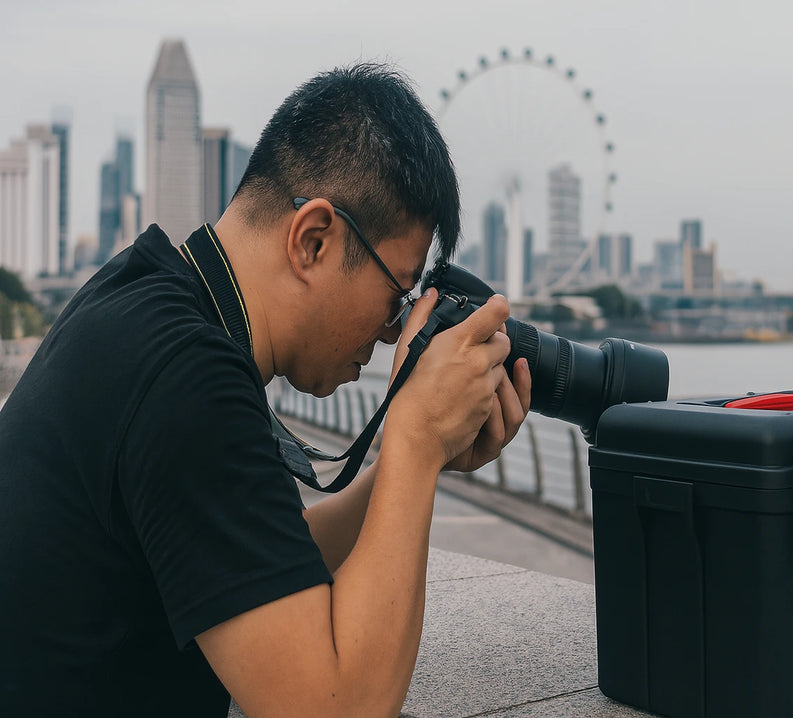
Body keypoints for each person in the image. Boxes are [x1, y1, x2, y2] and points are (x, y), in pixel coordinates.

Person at [0, 63, 530, 717]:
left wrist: (412, 454)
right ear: (313, 240)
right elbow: (338, 709)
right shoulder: (186, 377)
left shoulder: (143, 294)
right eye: (396, 297)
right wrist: (418, 446)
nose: (394, 334)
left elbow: (258, 555)